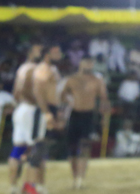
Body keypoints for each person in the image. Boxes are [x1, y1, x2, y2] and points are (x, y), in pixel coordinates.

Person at [62, 56, 110, 189]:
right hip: (74, 114)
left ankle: (80, 179)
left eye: (90, 63)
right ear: (81, 63)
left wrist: (104, 117)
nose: (88, 66)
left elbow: (104, 98)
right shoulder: (72, 79)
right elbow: (62, 95)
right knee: (72, 149)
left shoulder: (97, 80)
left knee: (84, 148)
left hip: (88, 115)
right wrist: (68, 102)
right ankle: (75, 177)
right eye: (86, 63)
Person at [26, 43, 64, 194]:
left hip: (51, 108)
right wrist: (46, 113)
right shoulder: (42, 69)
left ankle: (39, 185)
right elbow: (38, 92)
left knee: (44, 149)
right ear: (48, 54)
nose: (60, 55)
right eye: (56, 52)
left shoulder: (52, 69)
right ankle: (30, 185)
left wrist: (57, 111)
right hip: (45, 109)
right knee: (39, 147)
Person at [9, 44, 44, 194]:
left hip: (20, 108)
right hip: (32, 110)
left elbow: (15, 92)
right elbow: (38, 92)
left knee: (18, 149)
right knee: (36, 148)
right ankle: (32, 186)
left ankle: (13, 187)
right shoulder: (37, 69)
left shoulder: (21, 68)